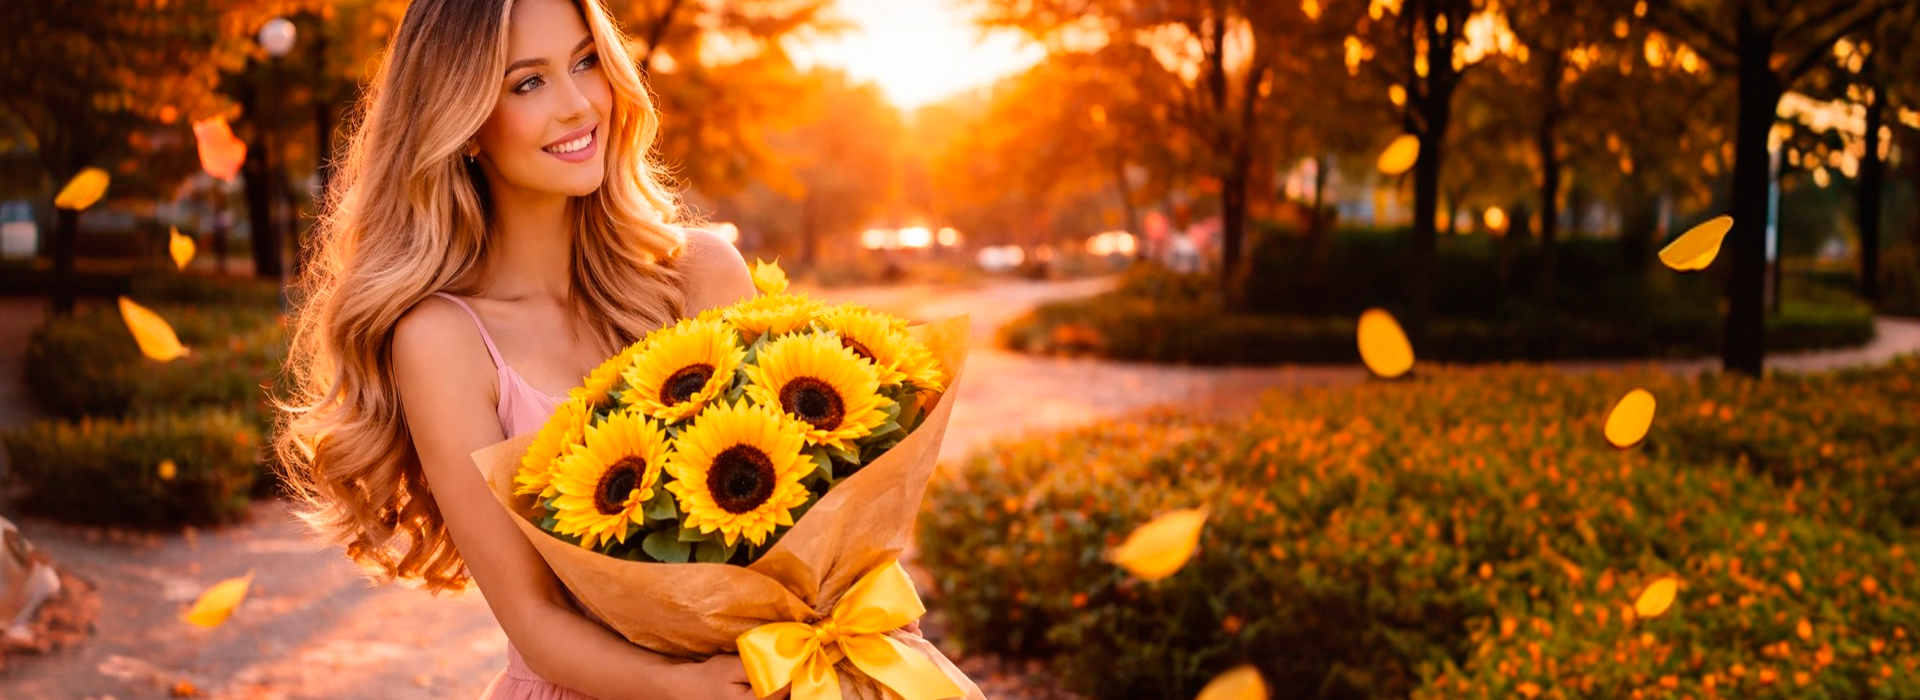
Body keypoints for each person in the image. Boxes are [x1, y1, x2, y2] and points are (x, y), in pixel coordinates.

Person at [270, 0, 784, 697]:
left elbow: (800, 508)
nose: (577, 105)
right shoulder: (443, 342)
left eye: (585, 63)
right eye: (527, 83)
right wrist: (680, 688)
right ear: (466, 120)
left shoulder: (703, 274)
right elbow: (532, 618)